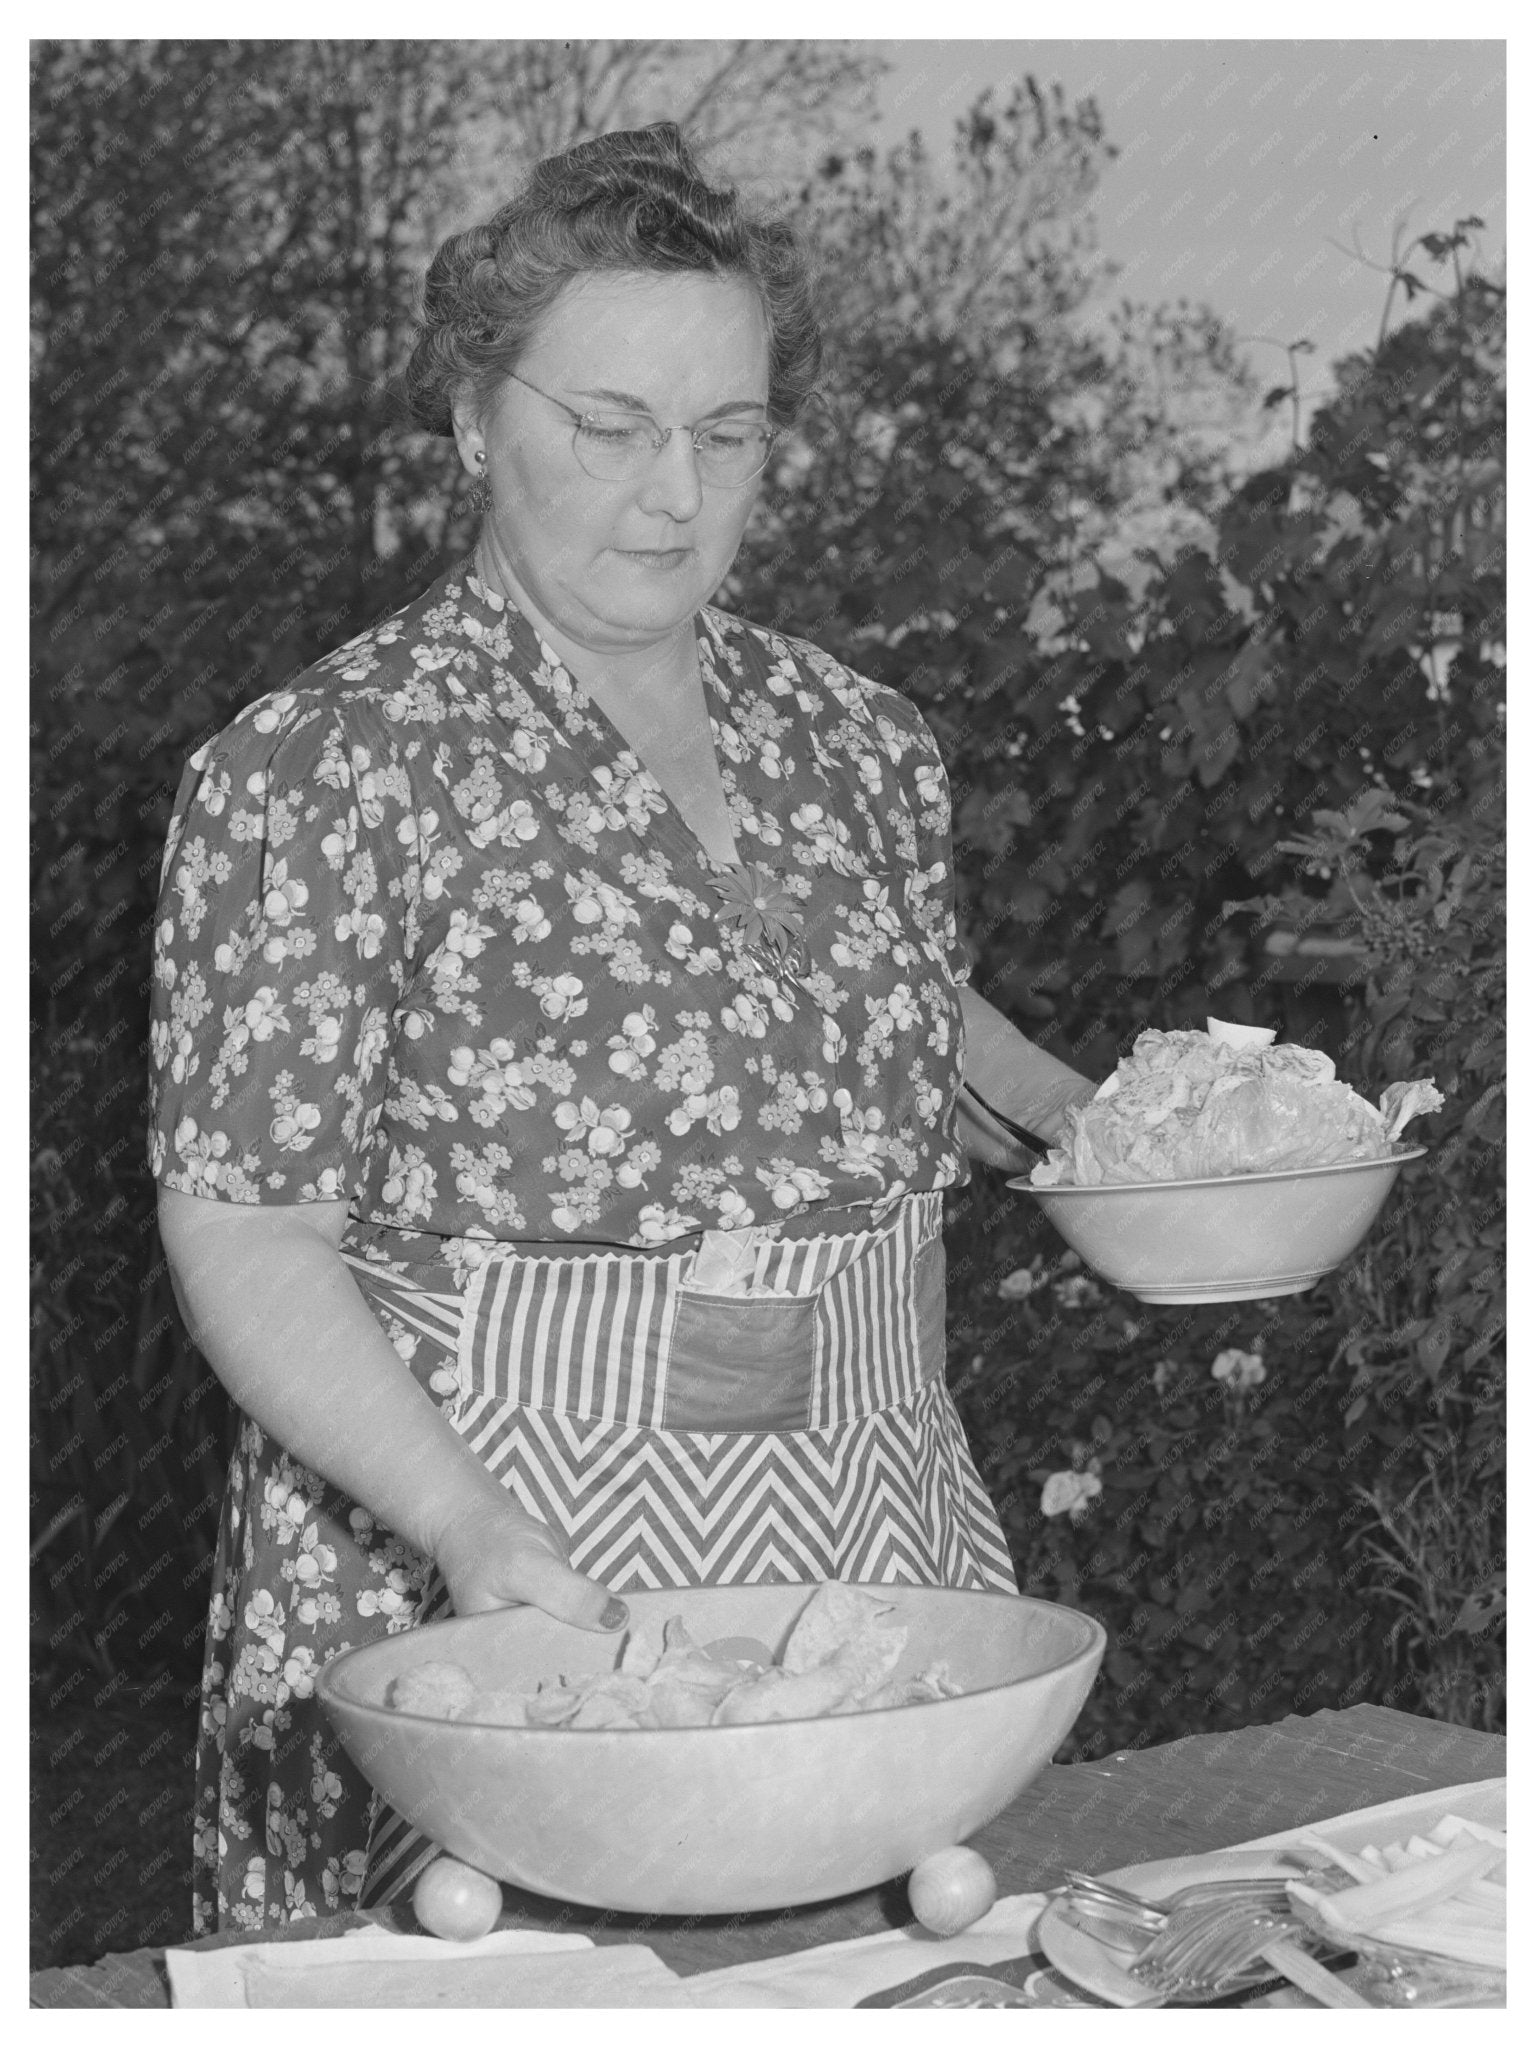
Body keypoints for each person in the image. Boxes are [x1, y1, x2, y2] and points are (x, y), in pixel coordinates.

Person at [150, 122, 1098, 1935]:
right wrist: (470, 1531)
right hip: (497, 1568)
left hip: (861, 1541)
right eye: (610, 428)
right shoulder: (323, 769)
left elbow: (878, 1008)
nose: (676, 494)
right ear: (468, 421)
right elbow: (249, 1224)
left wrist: (1135, 1136)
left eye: (726, 437)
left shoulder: (863, 744)